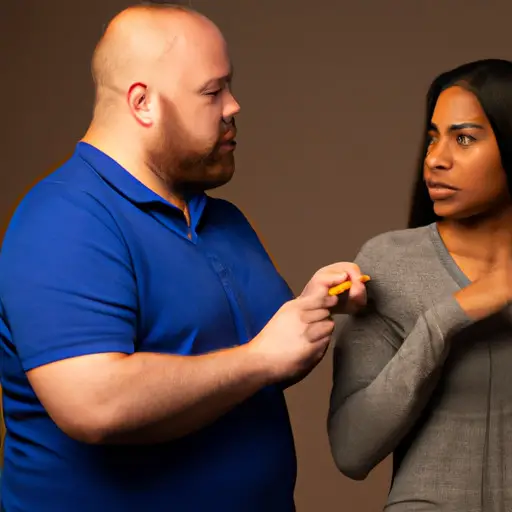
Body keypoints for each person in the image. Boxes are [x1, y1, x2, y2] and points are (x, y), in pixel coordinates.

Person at [0, 4, 368, 512]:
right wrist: (260, 358)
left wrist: (307, 310)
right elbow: (95, 403)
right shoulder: (65, 217)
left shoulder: (223, 220)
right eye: (212, 91)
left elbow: (265, 359)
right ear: (143, 103)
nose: (234, 106)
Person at [327, 58, 512, 511]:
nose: (435, 159)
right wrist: (447, 317)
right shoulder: (389, 264)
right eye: (433, 138)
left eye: (463, 138)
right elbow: (351, 450)